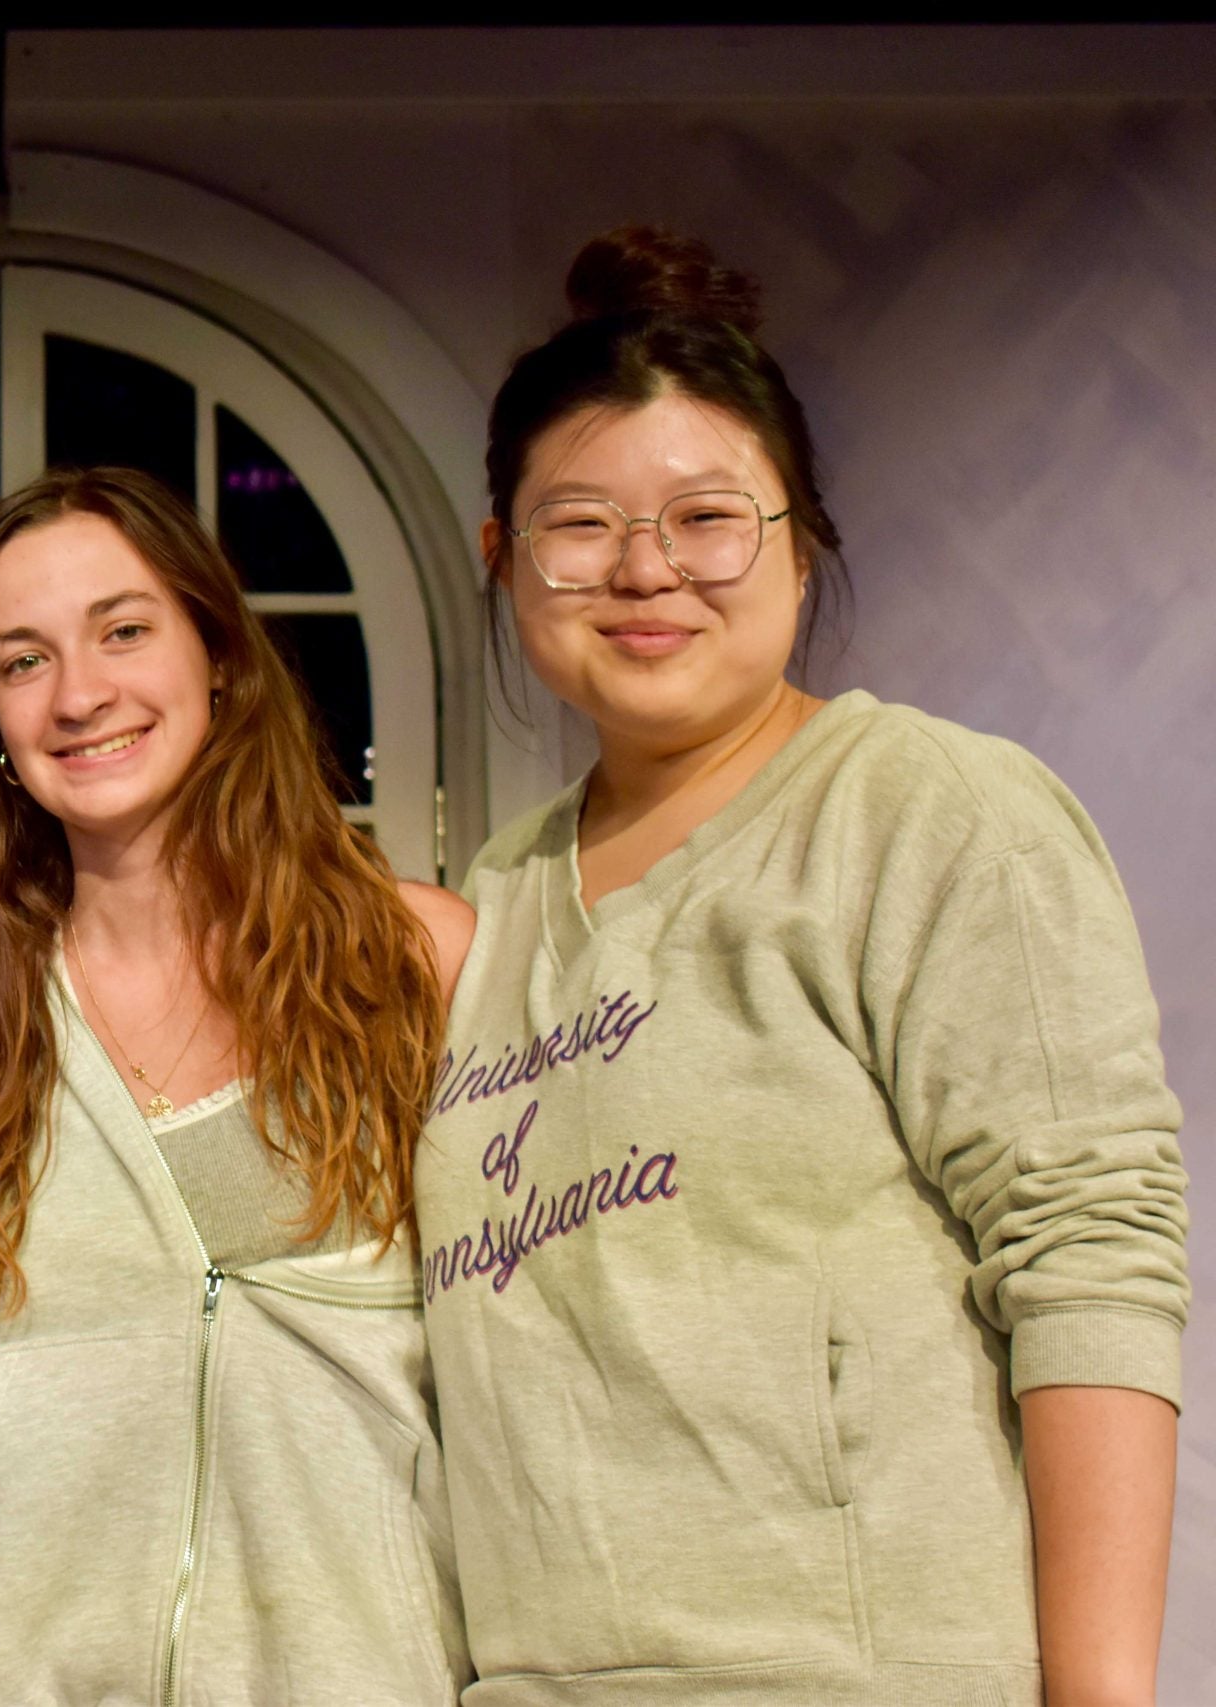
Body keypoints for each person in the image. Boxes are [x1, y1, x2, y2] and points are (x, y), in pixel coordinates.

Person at [418, 227, 1188, 1706]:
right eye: (579, 523)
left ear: (802, 535)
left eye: (709, 516)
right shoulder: (498, 895)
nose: (646, 569)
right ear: (502, 554)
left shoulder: (923, 810)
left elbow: (1089, 1250)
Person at [0, 466, 477, 1706]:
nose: (80, 694)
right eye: (22, 660)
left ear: (217, 654)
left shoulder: (414, 961)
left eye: (124, 630)